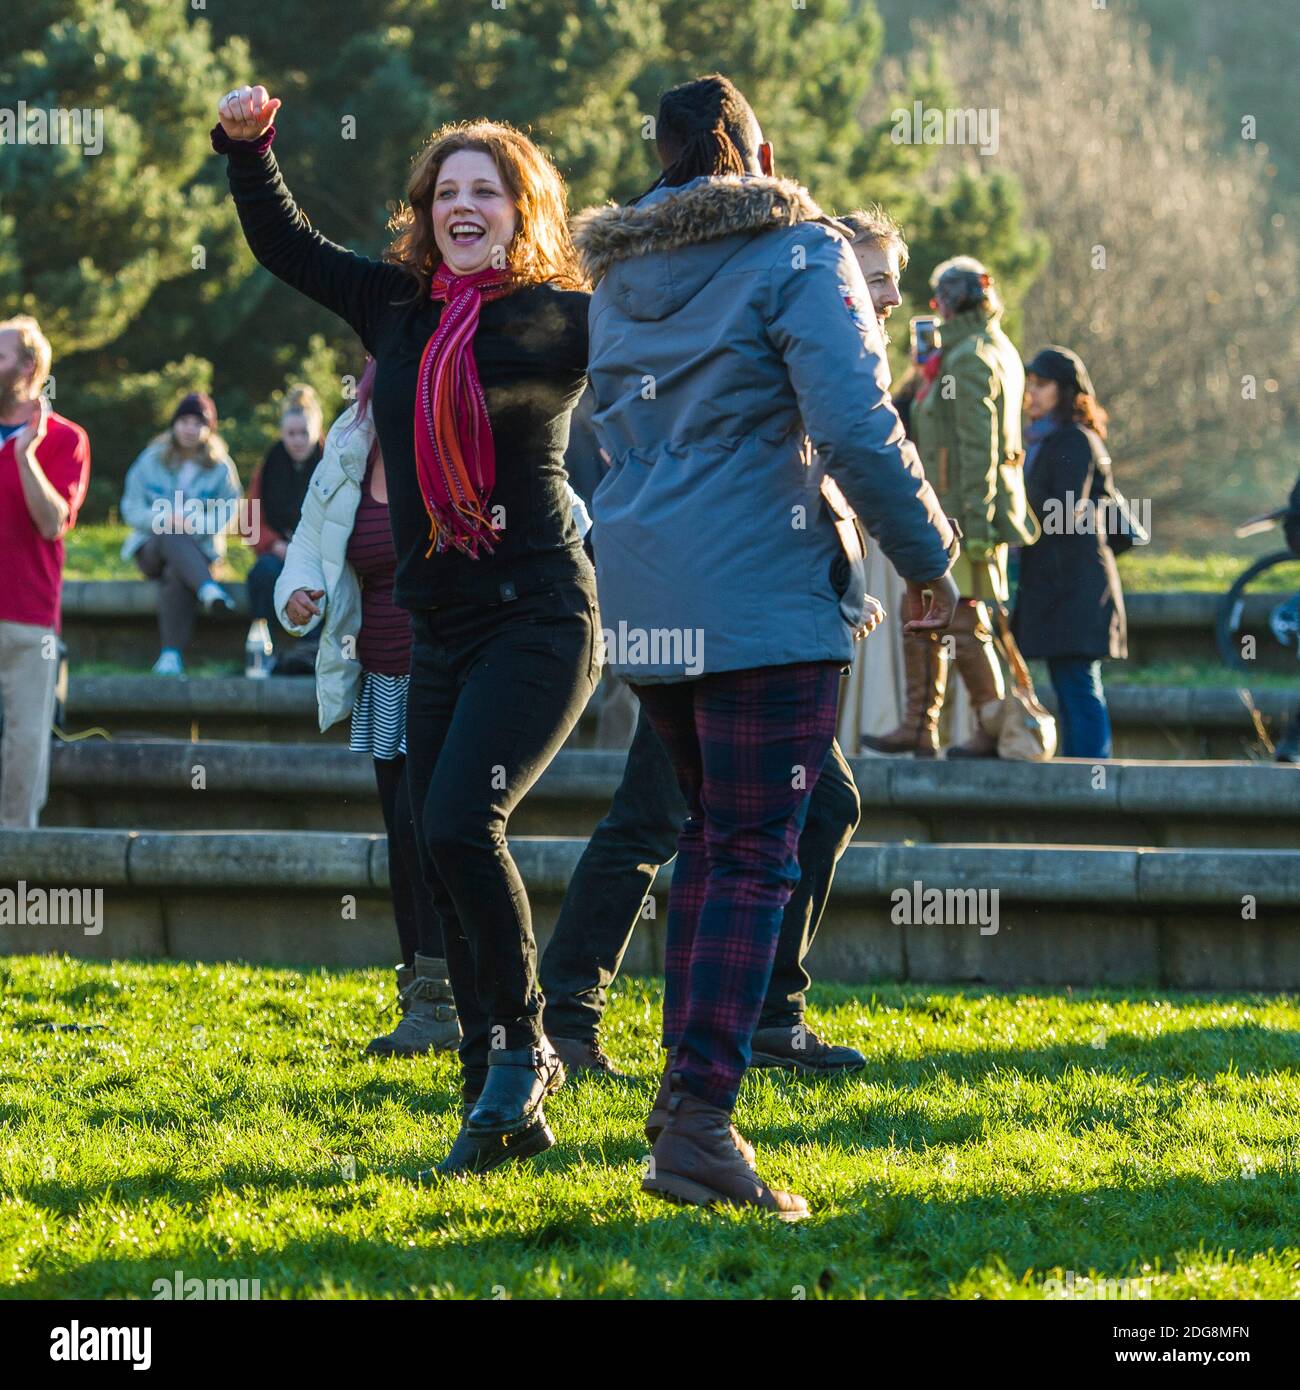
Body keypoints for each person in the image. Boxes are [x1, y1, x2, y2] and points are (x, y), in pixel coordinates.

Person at [575, 74, 959, 1216]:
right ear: (758, 152)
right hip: (759, 591)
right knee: (750, 855)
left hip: (647, 590)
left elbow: (608, 436)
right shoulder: (800, 252)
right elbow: (853, 423)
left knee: (708, 843)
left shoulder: (619, 274)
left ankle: (679, 1111)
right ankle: (697, 1125)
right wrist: (933, 557)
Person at [215, 85, 599, 1178]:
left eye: (488, 190)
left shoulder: (563, 317)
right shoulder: (396, 307)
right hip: (439, 629)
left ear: (525, 210)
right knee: (435, 841)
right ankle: (494, 1082)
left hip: (539, 616)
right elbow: (287, 244)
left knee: (458, 822)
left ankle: (526, 1048)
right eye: (447, 191)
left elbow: (680, 328)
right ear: (425, 209)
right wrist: (252, 150)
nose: (463, 205)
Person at [275, 371, 458, 1057]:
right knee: (402, 841)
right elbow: (307, 541)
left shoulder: (452, 438)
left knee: (434, 834)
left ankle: (453, 995)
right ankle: (422, 995)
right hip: (383, 682)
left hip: (446, 679)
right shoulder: (349, 445)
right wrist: (296, 592)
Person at [867, 256, 1035, 758]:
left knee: (955, 618)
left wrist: (972, 527)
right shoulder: (978, 350)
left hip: (961, 515)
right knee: (930, 613)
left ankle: (980, 722)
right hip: (959, 510)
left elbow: (974, 451)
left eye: (939, 297)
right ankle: (924, 725)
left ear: (954, 299)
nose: (933, 306)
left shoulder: (971, 358)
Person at [1012, 347, 1126, 758]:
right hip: (1061, 582)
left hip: (1076, 585)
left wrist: (1012, 502)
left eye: (1042, 385)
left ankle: (1091, 776)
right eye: (1031, 384)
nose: (1032, 393)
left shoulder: (1072, 439)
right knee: (1069, 681)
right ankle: (1082, 773)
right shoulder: (1045, 437)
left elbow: (1063, 507)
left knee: (1078, 682)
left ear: (1064, 390)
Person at [0, 315, 91, 828]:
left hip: (26, 620)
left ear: (29, 367)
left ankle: (14, 868)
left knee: (25, 747)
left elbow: (53, 522)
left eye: (0, 356)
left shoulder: (64, 438)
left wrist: (24, 455)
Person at [119, 391, 242, 675]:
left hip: (199, 552)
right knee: (168, 531)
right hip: (151, 550)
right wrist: (165, 519)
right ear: (174, 424)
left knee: (176, 574)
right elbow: (132, 508)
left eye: (197, 423)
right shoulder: (150, 460)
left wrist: (196, 523)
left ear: (209, 428)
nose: (190, 428)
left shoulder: (221, 468)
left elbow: (229, 512)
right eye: (184, 421)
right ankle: (208, 589)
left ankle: (171, 656)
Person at [247, 383, 324, 673]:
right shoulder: (269, 464)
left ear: (316, 430)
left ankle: (313, 651)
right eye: (291, 433)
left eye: (304, 433)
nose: (298, 440)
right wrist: (276, 546)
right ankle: (268, 647)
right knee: (262, 575)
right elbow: (251, 521)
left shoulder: (332, 461)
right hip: (279, 552)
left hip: (321, 556)